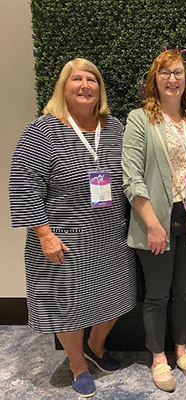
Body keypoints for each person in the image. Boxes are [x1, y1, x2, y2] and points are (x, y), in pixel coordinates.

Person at [9, 58, 137, 398]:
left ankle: (96, 346)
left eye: (91, 79)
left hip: (110, 234)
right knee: (68, 305)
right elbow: (24, 183)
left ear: (100, 88)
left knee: (117, 294)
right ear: (63, 88)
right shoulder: (43, 130)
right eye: (76, 79)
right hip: (64, 236)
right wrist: (44, 234)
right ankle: (78, 364)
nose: (85, 86)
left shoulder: (114, 127)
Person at [121, 50, 186, 392]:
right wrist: (152, 223)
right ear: (154, 79)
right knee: (158, 294)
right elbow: (131, 177)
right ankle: (159, 358)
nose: (172, 79)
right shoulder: (140, 119)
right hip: (157, 219)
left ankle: (182, 350)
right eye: (164, 73)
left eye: (177, 72)